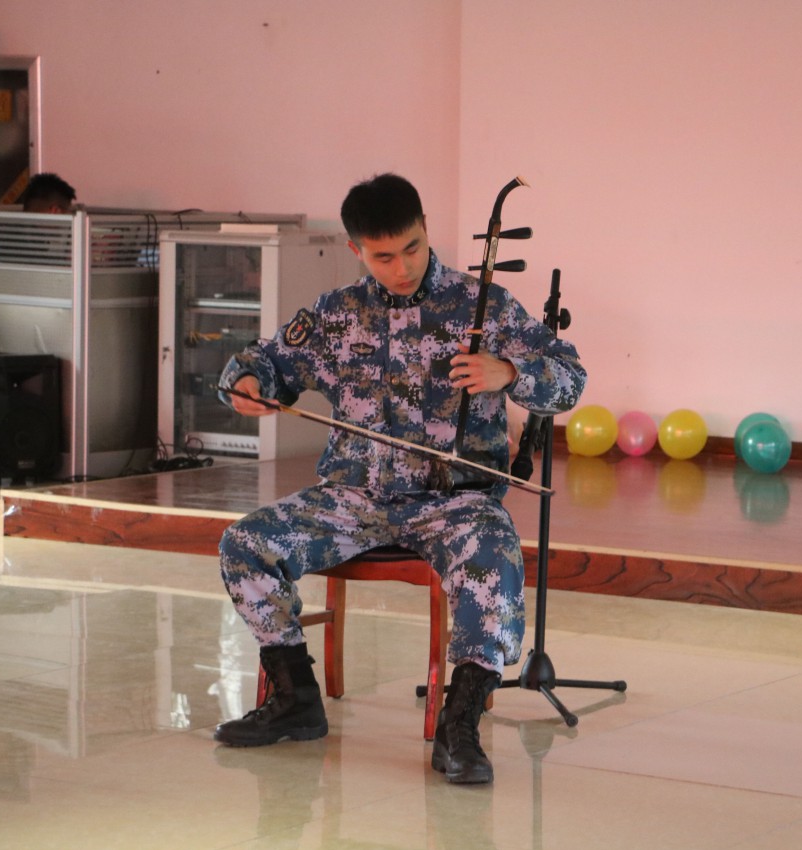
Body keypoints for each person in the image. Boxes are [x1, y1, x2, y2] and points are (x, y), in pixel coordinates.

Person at [213, 173, 586, 784]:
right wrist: (247, 384)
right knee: (244, 544)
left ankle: (460, 725)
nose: (402, 266)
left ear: (426, 230)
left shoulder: (483, 306)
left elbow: (569, 378)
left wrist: (509, 372)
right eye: (383, 256)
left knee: (494, 557)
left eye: (412, 247)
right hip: (352, 497)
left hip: (454, 501)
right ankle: (294, 696)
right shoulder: (336, 315)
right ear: (356, 250)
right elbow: (263, 363)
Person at [0, 172, 77, 364]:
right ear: (55, 211)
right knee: (60, 354)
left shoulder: (13, 234)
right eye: (67, 213)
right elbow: (46, 291)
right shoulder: (20, 244)